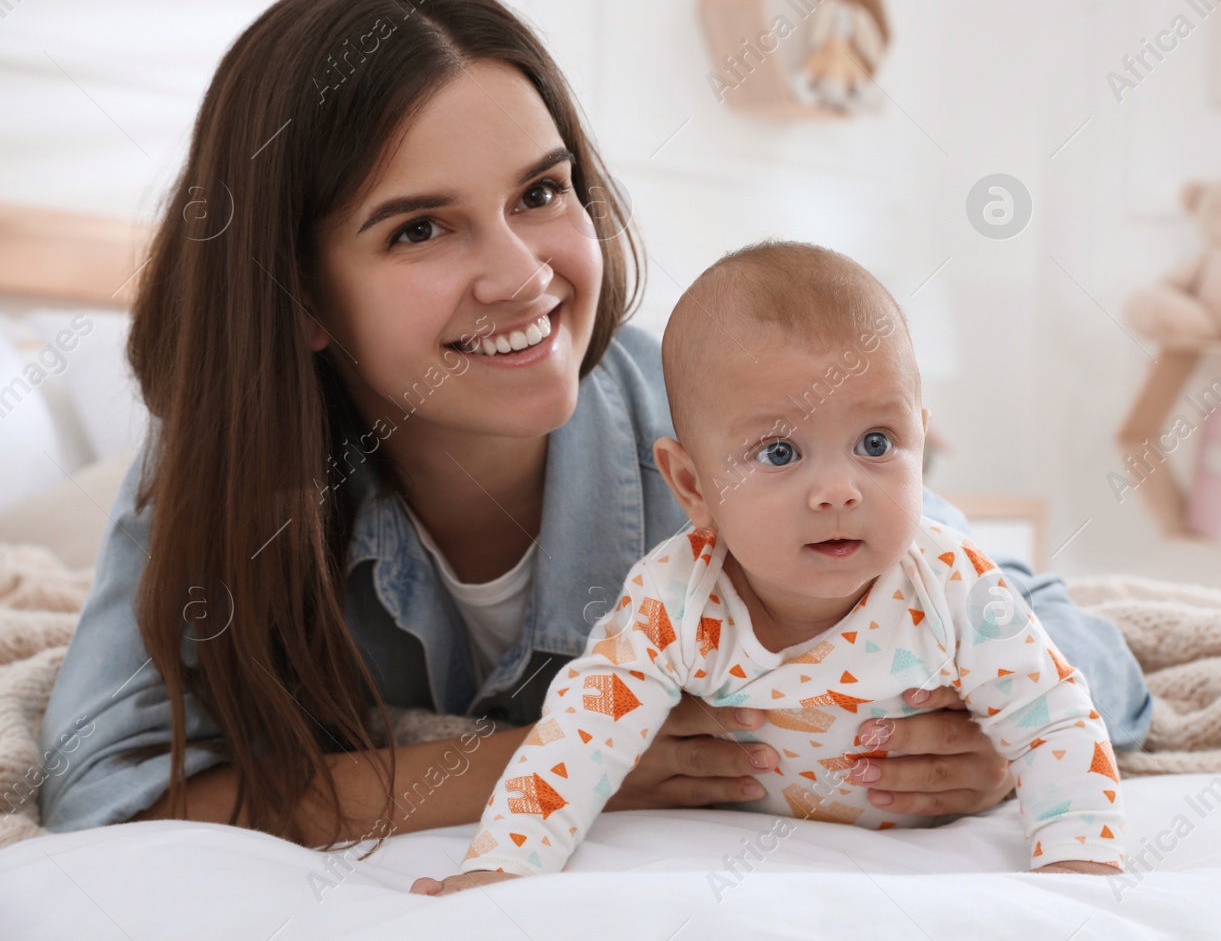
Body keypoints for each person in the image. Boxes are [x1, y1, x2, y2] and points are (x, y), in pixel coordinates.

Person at [37, 0, 1152, 851]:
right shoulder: (230, 469)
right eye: (419, 227)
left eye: (541, 190)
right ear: (301, 293)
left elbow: (1077, 647)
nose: (524, 274)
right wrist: (571, 753)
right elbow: (113, 789)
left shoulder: (712, 446)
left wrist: (999, 745)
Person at [414, 241, 1125, 894]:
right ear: (691, 486)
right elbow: (577, 739)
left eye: (877, 441)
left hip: (913, 857)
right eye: (780, 453)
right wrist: (502, 864)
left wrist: (1077, 863)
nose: (839, 489)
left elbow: (1053, 719)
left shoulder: (951, 583)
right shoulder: (675, 596)